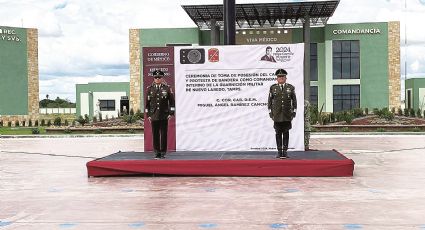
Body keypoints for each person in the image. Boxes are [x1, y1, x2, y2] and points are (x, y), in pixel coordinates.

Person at [145, 70, 175, 159]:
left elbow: (172, 102)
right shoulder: (150, 89)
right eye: (156, 77)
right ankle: (157, 152)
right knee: (155, 134)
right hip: (154, 115)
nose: (157, 79)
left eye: (159, 77)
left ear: (162, 78)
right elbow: (147, 103)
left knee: (164, 134)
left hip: (164, 115)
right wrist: (148, 115)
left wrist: (171, 113)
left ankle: (163, 152)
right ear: (154, 79)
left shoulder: (167, 88)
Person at [268, 68, 297, 159]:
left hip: (287, 115)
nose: (281, 78)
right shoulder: (273, 88)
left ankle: (285, 151)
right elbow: (269, 101)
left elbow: (294, 101)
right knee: (278, 133)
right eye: (279, 77)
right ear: (277, 78)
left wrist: (294, 112)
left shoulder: (290, 88)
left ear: (285, 78)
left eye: (282, 77)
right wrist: (271, 113)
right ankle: (279, 151)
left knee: (286, 133)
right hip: (277, 115)